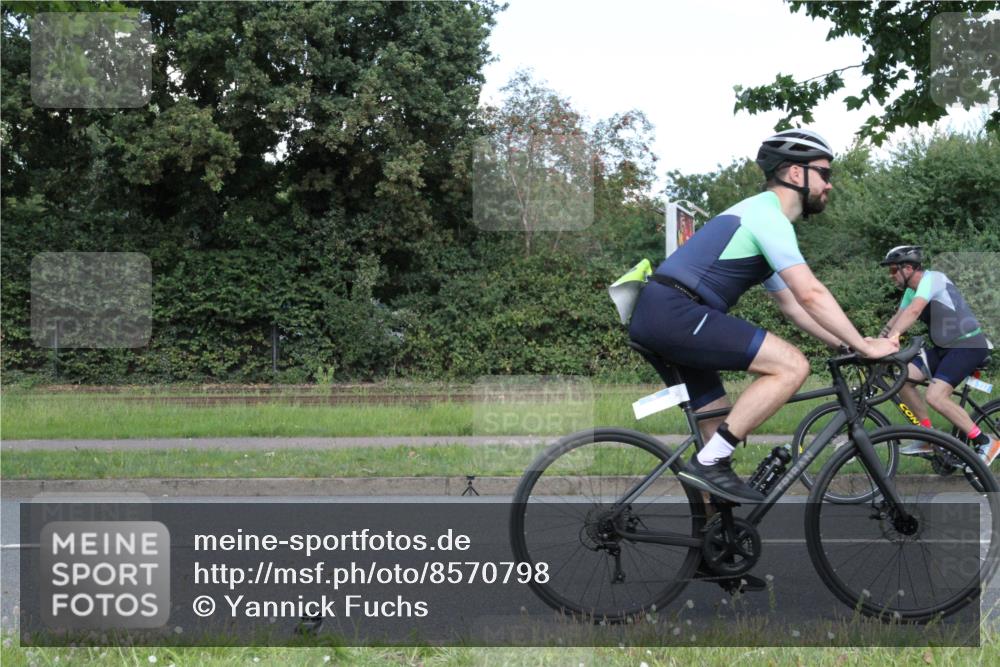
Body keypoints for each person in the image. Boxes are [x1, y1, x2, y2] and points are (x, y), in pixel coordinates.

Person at [628, 128, 899, 503]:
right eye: (825, 172)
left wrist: (844, 346)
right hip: (677, 312)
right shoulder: (766, 215)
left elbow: (793, 305)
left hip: (667, 314)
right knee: (791, 366)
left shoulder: (760, 218)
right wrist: (864, 346)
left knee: (715, 433)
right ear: (794, 174)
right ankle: (708, 464)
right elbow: (811, 292)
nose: (829, 185)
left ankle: (711, 550)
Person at [878, 245, 998, 464]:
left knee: (935, 396)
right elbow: (897, 318)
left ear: (908, 268)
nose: (891, 276)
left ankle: (985, 441)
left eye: (893, 270)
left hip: (968, 344)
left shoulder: (933, 279)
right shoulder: (910, 291)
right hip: (945, 348)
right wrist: (876, 343)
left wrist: (893, 338)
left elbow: (914, 312)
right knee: (903, 378)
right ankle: (927, 437)